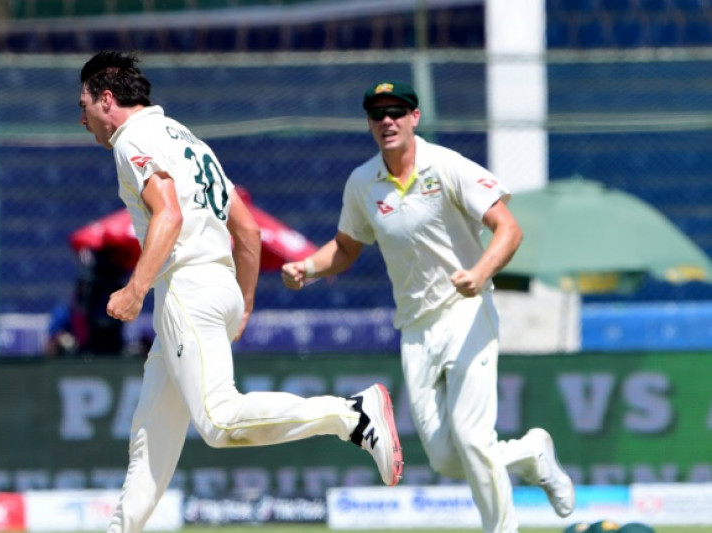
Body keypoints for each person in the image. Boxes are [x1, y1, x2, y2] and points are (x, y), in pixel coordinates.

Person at [78, 50, 403, 533]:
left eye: (82, 105)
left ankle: (350, 415)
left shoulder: (133, 139)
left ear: (107, 99)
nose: (82, 120)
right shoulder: (189, 140)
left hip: (186, 287)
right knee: (152, 433)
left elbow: (168, 215)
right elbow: (248, 232)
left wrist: (135, 288)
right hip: (217, 286)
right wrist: (244, 303)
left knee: (219, 421)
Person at [281, 81, 575, 533]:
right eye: (378, 114)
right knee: (446, 459)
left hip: (466, 314)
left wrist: (479, 274)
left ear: (415, 117)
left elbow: (509, 230)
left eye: (397, 111)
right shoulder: (362, 182)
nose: (387, 121)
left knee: (473, 439)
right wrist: (308, 267)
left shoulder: (448, 166)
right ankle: (531, 452)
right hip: (415, 330)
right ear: (369, 124)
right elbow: (345, 247)